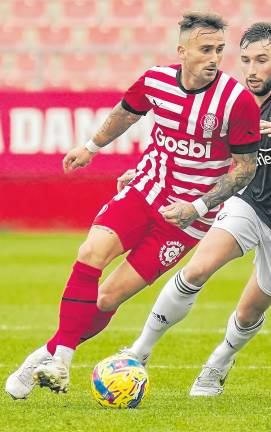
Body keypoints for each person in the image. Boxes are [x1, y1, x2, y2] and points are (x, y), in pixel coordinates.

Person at [5, 12, 260, 400]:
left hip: (186, 221)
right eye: (205, 49)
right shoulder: (156, 80)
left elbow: (243, 170)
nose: (214, 58)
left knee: (108, 298)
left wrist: (196, 206)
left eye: (220, 50)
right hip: (146, 190)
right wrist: (90, 147)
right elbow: (125, 113)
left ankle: (46, 353)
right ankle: (63, 360)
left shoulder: (235, 100)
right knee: (90, 251)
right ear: (182, 51)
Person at [125, 22, 271, 397]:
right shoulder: (234, 100)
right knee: (197, 268)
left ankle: (218, 362)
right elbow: (195, 147)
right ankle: (138, 353)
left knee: (248, 312)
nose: (252, 70)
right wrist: (142, 172)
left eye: (263, 60)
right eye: (246, 60)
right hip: (248, 203)